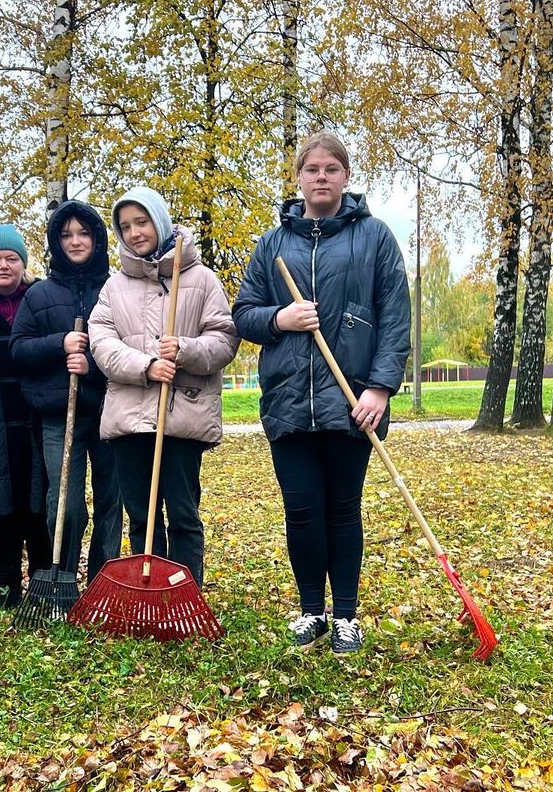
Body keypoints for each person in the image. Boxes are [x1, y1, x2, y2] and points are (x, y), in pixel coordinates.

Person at [231, 130, 411, 653]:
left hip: (352, 402)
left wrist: (379, 388)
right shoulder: (273, 243)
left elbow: (395, 317)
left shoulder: (374, 236)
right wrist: (281, 318)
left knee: (342, 509)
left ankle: (347, 616)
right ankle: (312, 610)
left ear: (346, 176)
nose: (322, 178)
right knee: (302, 511)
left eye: (331, 169)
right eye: (312, 170)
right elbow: (243, 314)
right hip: (288, 401)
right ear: (298, 178)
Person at [88, 186, 239, 590]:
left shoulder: (202, 280)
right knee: (141, 515)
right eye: (125, 226)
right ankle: (150, 592)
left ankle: (185, 591)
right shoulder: (113, 287)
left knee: (184, 514)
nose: (135, 232)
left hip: (183, 416)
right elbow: (101, 342)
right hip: (130, 418)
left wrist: (186, 350)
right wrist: (147, 365)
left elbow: (225, 339)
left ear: (160, 221)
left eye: (142, 222)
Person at [10, 201, 123, 585]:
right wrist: (61, 344)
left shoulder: (118, 288)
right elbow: (18, 349)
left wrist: (91, 361)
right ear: (56, 242)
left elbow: (134, 344)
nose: (75, 241)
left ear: (97, 237)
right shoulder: (39, 294)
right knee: (66, 503)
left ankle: (102, 582)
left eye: (83, 233)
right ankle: (64, 580)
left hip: (112, 411)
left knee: (112, 501)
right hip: (60, 413)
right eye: (66, 235)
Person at [0, 224, 53, 608]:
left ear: (23, 263)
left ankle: (41, 585)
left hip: (35, 417)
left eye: (12, 259)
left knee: (37, 504)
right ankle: (9, 588)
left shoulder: (37, 298)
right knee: (2, 507)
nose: (3, 266)